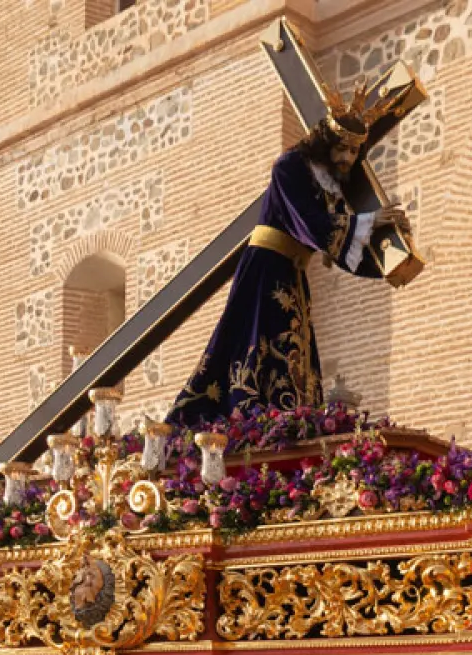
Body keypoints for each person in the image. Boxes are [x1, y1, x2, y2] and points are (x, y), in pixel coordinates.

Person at [165, 98, 411, 426]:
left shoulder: (332, 186)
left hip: (292, 274)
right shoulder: (290, 167)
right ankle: (250, 417)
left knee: (294, 348)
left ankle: (288, 420)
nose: (347, 158)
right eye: (342, 149)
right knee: (255, 341)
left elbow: (339, 248)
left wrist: (389, 260)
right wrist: (368, 221)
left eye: (354, 152)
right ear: (325, 142)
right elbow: (310, 225)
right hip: (264, 269)